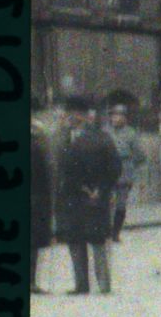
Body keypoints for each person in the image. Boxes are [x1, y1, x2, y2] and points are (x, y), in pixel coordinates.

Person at [56, 96, 122, 295]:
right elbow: (115, 168)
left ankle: (99, 284)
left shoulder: (96, 138)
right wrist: (102, 189)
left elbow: (114, 167)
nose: (67, 118)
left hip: (85, 197)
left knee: (95, 241)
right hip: (79, 197)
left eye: (69, 114)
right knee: (80, 240)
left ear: (78, 115)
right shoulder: (70, 137)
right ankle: (87, 284)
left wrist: (100, 189)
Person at [103, 102, 141, 242]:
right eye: (114, 115)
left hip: (124, 171)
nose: (117, 118)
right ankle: (106, 230)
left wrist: (131, 168)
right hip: (107, 170)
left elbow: (139, 155)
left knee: (121, 204)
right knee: (106, 203)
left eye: (120, 115)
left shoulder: (131, 133)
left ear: (125, 118)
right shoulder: (105, 132)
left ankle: (115, 232)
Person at [31, 105, 59, 294]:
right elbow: (49, 175)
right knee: (32, 244)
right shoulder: (39, 144)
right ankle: (31, 282)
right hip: (36, 200)